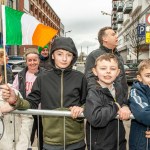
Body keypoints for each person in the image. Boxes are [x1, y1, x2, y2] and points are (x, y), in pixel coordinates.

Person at [1, 37, 87, 150]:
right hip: (51, 141)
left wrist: (81, 108)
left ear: (73, 57)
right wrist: (15, 100)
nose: (64, 58)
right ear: (52, 55)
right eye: (60, 54)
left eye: (69, 55)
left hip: (76, 141)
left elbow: (88, 101)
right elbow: (31, 102)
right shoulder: (42, 78)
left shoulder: (80, 77)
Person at [84, 53, 131, 150]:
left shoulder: (118, 88)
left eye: (112, 69)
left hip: (119, 142)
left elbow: (123, 102)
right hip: (100, 145)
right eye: (103, 68)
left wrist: (125, 107)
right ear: (95, 71)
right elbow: (95, 117)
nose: (108, 72)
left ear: (118, 72)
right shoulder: (93, 92)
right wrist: (115, 107)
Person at [85, 26, 128, 107]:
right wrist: (101, 98)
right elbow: (89, 79)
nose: (116, 36)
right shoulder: (94, 55)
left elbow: (123, 80)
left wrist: (125, 103)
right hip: (101, 104)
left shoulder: (119, 56)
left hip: (119, 104)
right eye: (113, 34)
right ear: (104, 39)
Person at [129, 59, 150, 150]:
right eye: (148, 76)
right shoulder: (136, 91)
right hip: (142, 144)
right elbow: (144, 113)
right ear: (140, 77)